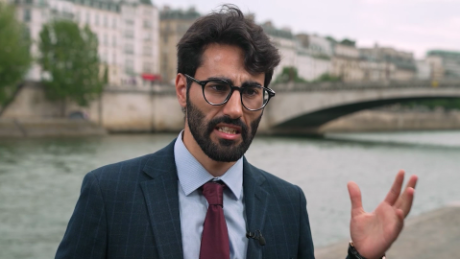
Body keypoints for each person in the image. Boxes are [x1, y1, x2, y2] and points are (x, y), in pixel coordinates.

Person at [55, 5, 417, 259]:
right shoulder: (109, 193)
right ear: (183, 89)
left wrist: (364, 258)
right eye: (217, 87)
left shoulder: (287, 204)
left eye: (250, 92)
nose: (234, 108)